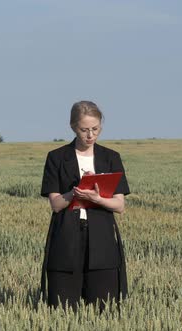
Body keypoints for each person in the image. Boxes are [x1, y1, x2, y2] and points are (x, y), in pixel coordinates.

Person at [40, 101, 130, 311]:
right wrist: (75, 192)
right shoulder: (56, 157)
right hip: (66, 240)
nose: (90, 135)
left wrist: (97, 199)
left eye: (95, 129)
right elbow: (55, 204)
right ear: (73, 127)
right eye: (84, 130)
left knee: (104, 310)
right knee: (61, 311)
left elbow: (119, 205)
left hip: (102, 240)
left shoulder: (111, 157)